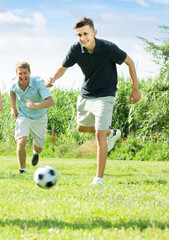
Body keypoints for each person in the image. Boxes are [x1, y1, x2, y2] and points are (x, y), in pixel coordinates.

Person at [45, 17, 141, 185]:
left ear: (94, 33)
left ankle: (99, 178)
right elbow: (63, 67)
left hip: (106, 94)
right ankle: (112, 133)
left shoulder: (108, 48)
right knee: (81, 127)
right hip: (86, 94)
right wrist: (53, 78)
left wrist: (135, 89)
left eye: (86, 34)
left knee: (98, 134)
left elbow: (130, 62)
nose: (83, 38)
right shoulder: (75, 49)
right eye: (79, 35)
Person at [10, 62, 54, 173]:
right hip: (23, 115)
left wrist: (35, 106)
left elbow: (51, 102)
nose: (23, 76)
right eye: (20, 73)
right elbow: (12, 91)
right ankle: (22, 169)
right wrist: (13, 108)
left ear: (30, 72)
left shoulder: (39, 82)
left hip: (39, 117)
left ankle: (35, 153)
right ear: (16, 74)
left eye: (25, 73)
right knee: (21, 141)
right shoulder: (14, 83)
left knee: (39, 147)